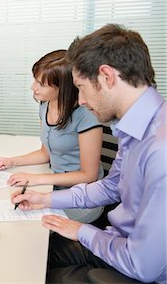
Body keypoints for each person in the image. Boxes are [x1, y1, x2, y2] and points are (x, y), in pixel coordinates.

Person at [12, 24, 166, 283]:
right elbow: (110, 187)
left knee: (35, 274)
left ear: (107, 76)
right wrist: (46, 200)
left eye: (81, 87)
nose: (80, 101)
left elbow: (143, 265)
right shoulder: (135, 128)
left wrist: (83, 231)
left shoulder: (160, 150)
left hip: (135, 268)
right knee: (28, 255)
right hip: (115, 241)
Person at [0, 50, 104, 223]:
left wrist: (35, 179)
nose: (33, 87)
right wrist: (11, 161)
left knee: (31, 226)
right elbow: (46, 153)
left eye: (41, 84)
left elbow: (88, 175)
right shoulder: (45, 105)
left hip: (83, 196)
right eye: (35, 80)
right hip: (55, 184)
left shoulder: (86, 115)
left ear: (63, 87)